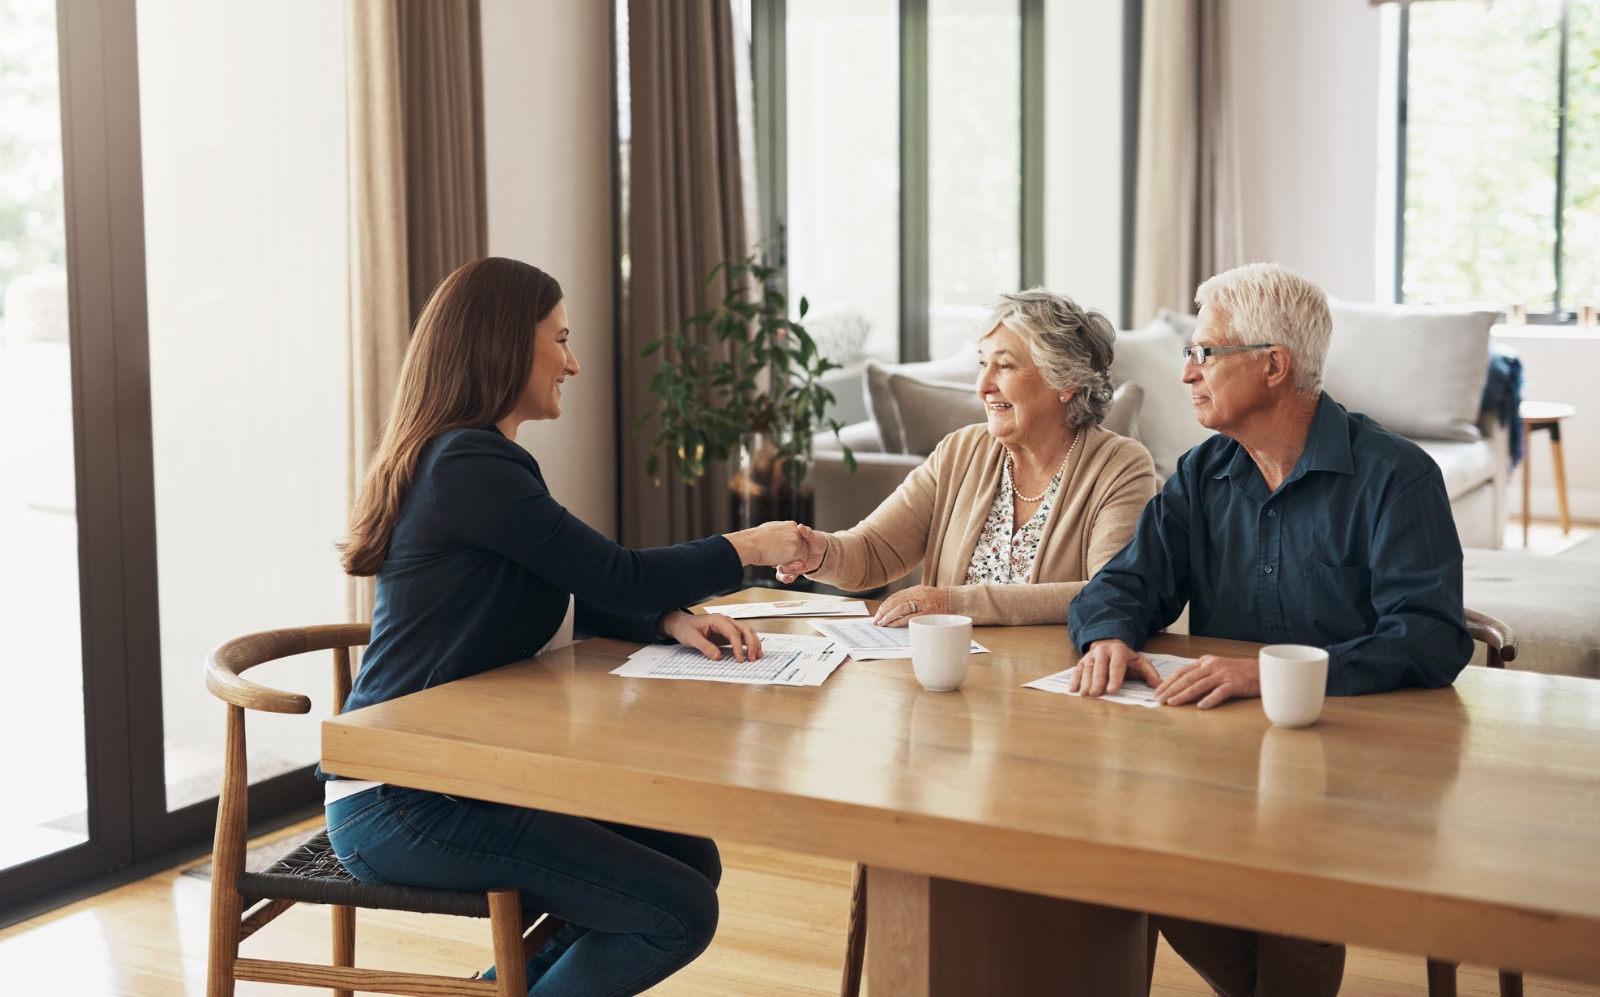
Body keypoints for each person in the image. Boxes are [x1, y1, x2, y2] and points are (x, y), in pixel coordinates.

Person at [324, 257, 810, 997]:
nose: (574, 363)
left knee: (690, 862)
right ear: (504, 344)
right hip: (406, 799)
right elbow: (617, 571)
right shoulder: (470, 465)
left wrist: (669, 618)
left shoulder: (472, 458)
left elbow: (575, 588)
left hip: (457, 780)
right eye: (561, 339)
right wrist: (747, 548)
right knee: (673, 910)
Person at [1067, 263, 1473, 997]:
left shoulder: (1397, 477)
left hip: (1360, 766)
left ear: (1274, 366)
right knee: (1125, 849)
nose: (1187, 373)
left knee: (1296, 876)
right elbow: (1124, 584)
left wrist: (1271, 674)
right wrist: (1109, 635)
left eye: (1205, 353)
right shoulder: (1201, 474)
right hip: (1226, 760)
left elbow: (1430, 637)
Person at [778, 289, 1159, 624]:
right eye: (982, 363)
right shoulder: (960, 451)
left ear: (1066, 382)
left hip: (1052, 677)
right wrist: (819, 552)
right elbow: (876, 550)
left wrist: (953, 602)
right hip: (952, 673)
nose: (982, 386)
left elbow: (1109, 593)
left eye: (1005, 365)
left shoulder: (1121, 466)